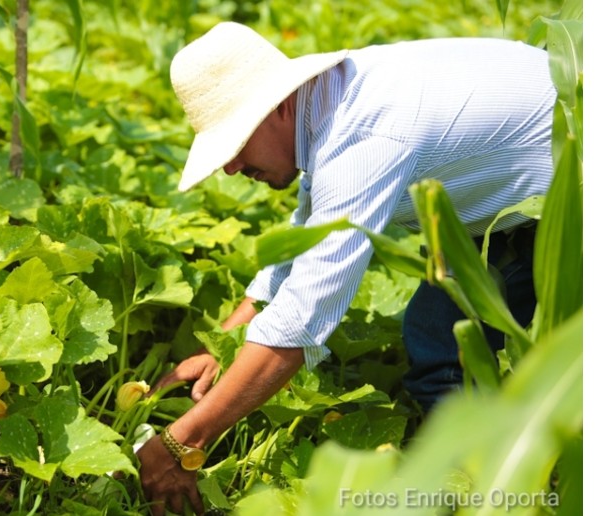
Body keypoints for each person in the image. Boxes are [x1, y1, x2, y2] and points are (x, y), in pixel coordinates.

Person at [135, 21, 555, 516]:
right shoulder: (333, 101)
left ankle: (490, 490)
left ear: (278, 106)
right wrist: (222, 344)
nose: (230, 167)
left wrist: (183, 441)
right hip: (522, 199)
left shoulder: (363, 140)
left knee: (447, 352)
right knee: (436, 334)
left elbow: (301, 323)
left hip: (575, 193)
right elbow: (310, 232)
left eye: (236, 143)